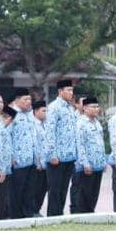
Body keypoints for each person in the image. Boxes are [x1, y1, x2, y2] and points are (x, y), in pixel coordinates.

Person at [44, 79, 78, 216]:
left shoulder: (70, 108)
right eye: (68, 90)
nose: (71, 93)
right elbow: (49, 132)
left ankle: (59, 215)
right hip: (57, 157)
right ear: (60, 91)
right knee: (55, 189)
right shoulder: (53, 107)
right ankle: (52, 216)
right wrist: (52, 154)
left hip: (69, 156)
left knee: (64, 189)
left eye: (72, 90)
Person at [8, 89, 40, 219]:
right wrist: (10, 156)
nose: (28, 102)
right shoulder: (8, 112)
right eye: (25, 100)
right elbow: (3, 135)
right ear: (16, 100)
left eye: (29, 100)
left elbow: (35, 136)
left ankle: (28, 215)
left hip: (31, 159)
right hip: (17, 160)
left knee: (29, 190)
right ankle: (16, 217)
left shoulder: (30, 114)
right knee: (16, 191)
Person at [74, 96, 106, 214]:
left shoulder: (97, 123)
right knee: (84, 193)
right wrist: (85, 163)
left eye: (97, 106)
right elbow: (80, 145)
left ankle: (90, 213)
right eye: (93, 107)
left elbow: (101, 143)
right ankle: (82, 216)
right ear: (85, 108)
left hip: (98, 164)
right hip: (86, 166)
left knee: (94, 193)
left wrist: (103, 162)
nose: (97, 109)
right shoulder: (80, 123)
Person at [31, 100, 49, 215]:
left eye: (46, 110)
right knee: (35, 189)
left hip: (46, 164)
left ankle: (37, 209)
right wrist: (37, 162)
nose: (45, 113)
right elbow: (34, 145)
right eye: (43, 110)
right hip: (37, 165)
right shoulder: (33, 125)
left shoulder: (46, 125)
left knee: (43, 189)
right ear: (36, 111)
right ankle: (33, 210)